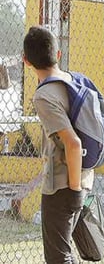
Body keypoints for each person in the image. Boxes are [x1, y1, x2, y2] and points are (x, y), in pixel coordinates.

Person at [23, 26, 94, 263]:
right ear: (59, 54)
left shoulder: (44, 95)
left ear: (26, 61)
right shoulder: (75, 80)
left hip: (63, 185)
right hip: (84, 177)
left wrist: (73, 191)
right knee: (65, 254)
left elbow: (73, 143)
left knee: (58, 258)